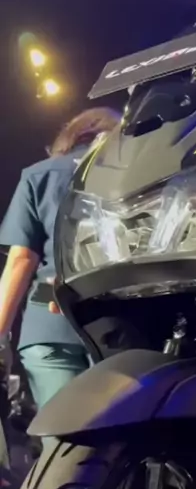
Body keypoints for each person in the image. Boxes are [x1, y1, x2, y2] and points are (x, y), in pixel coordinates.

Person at [0, 108, 120, 410]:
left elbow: (21, 260)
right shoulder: (133, 171)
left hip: (49, 326)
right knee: (121, 431)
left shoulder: (39, 174)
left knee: (63, 431)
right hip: (118, 323)